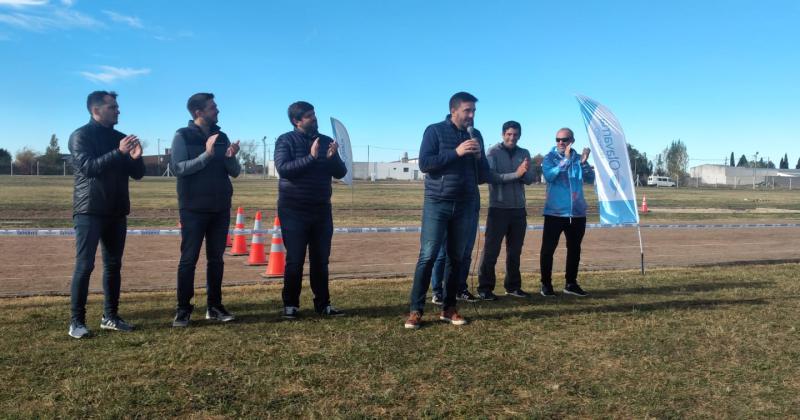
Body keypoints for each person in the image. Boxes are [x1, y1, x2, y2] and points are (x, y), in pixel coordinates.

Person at [405, 92, 489, 329]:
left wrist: (480, 157)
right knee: (428, 256)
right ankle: (416, 310)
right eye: (467, 111)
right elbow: (425, 164)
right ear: (454, 111)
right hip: (438, 203)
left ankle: (449, 308)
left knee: (457, 257)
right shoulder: (434, 131)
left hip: (466, 204)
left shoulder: (476, 135)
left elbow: (482, 176)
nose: (471, 116)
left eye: (474, 111)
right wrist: (456, 153)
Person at [67, 90, 145, 339]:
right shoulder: (81, 135)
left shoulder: (122, 138)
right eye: (112, 107)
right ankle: (76, 322)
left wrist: (136, 158)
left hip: (116, 210)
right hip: (89, 210)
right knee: (85, 265)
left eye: (117, 106)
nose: (118, 110)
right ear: (96, 110)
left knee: (113, 265)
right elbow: (89, 168)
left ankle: (110, 316)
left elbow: (138, 174)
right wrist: (119, 152)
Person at [170, 93, 241, 327]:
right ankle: (183, 309)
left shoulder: (222, 136)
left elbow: (234, 171)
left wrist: (231, 158)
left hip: (220, 207)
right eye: (213, 107)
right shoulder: (182, 135)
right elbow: (179, 168)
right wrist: (207, 155)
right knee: (188, 260)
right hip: (193, 207)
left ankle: (214, 306)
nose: (217, 111)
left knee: (216, 259)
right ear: (198, 112)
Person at [274, 101, 347, 319]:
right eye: (308, 116)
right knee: (295, 260)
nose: (314, 119)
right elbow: (284, 170)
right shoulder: (285, 140)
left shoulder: (325, 141)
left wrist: (333, 158)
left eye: (314, 114)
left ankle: (323, 304)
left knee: (320, 260)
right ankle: (291, 305)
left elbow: (341, 172)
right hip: (293, 210)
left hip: (321, 210)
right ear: (297, 121)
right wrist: (311, 158)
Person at [476, 121, 535, 300]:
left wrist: (525, 173)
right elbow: (490, 177)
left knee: (515, 251)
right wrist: (516, 175)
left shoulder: (524, 153)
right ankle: (485, 288)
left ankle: (513, 286)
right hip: (498, 209)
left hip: (518, 210)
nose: (512, 138)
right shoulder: (492, 152)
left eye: (516, 135)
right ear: (503, 134)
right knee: (491, 251)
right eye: (509, 134)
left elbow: (531, 178)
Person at [539, 127, 594, 297]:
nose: (561, 143)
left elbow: (590, 179)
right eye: (558, 139)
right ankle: (546, 285)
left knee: (574, 249)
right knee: (548, 250)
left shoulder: (579, 159)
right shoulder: (549, 158)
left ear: (572, 141)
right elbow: (549, 176)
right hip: (555, 212)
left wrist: (584, 163)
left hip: (577, 213)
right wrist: (566, 161)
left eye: (565, 139)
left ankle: (571, 283)